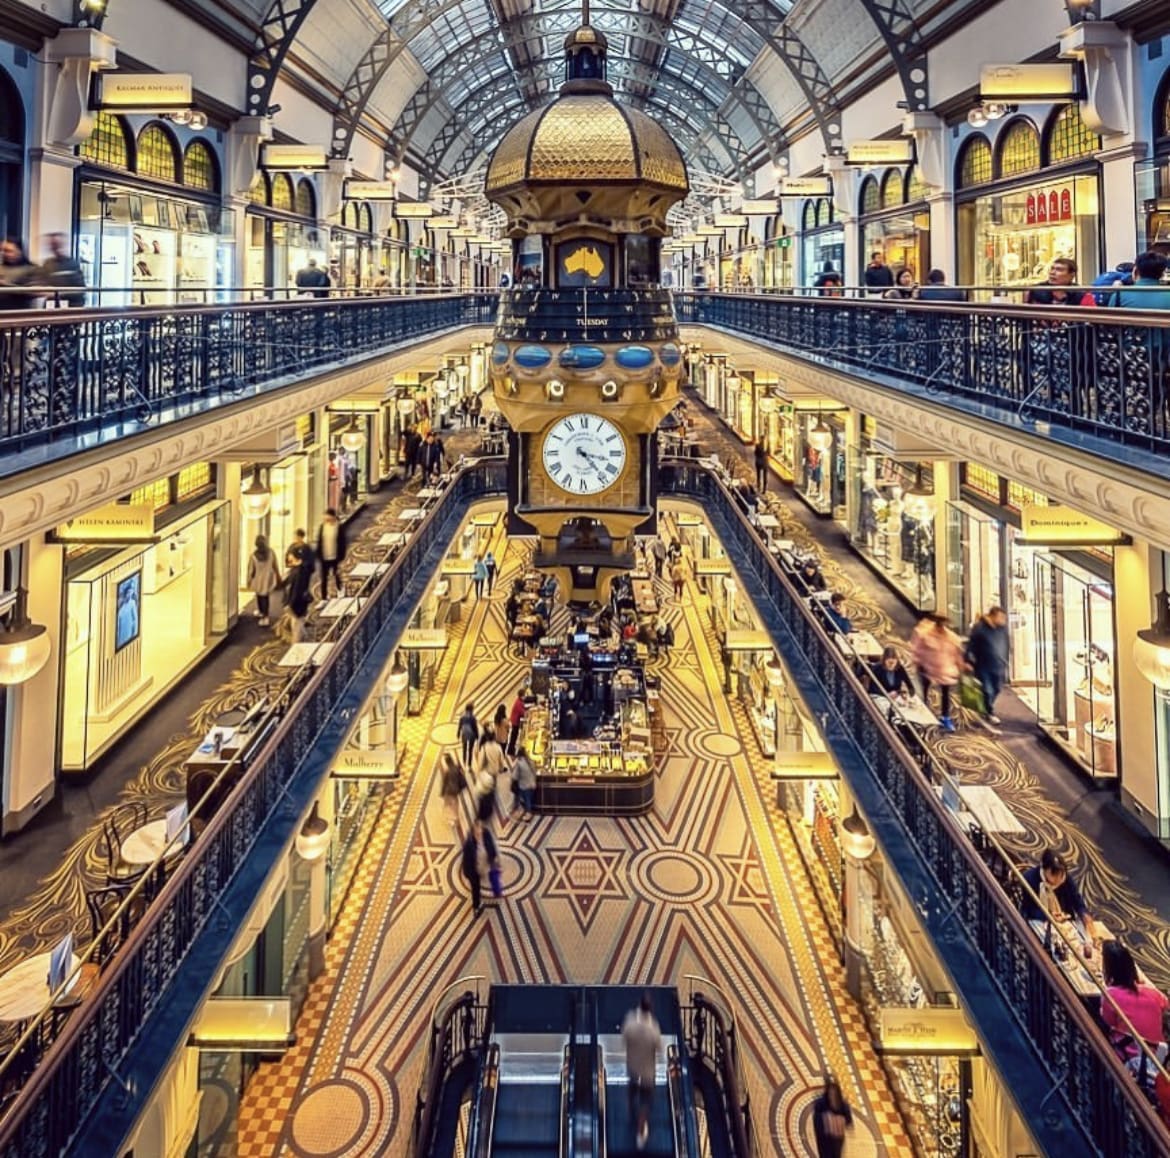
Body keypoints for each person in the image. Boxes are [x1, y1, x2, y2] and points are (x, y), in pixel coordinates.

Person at [1100, 941, 1168, 1061]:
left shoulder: (1110, 995)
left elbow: (1109, 1021)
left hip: (1130, 1054)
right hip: (1158, 1054)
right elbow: (1165, 1004)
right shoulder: (1152, 993)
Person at [1020, 849, 1097, 940]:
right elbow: (1029, 909)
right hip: (1038, 922)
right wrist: (1049, 916)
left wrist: (1084, 914)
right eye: (1054, 874)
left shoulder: (1064, 878)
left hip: (1064, 921)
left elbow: (1076, 898)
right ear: (1044, 868)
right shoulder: (1029, 879)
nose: (1058, 879)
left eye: (1061, 875)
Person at [621, 993, 663, 1150]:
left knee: (632, 1091)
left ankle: (631, 1112)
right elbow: (658, 1046)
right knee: (646, 1101)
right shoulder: (653, 1028)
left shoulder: (631, 1021)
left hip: (633, 1066)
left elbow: (624, 1038)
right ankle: (640, 1129)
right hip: (647, 1072)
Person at [911, 613, 964, 731]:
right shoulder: (925, 634)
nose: (942, 626)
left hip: (944, 671)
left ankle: (945, 717)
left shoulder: (951, 637)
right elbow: (917, 649)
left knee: (945, 694)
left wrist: (960, 665)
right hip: (926, 669)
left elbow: (956, 653)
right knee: (923, 692)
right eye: (939, 624)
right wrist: (917, 662)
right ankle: (923, 715)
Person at [966, 606, 1010, 725]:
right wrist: (968, 661)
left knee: (996, 688)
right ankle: (988, 712)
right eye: (1001, 617)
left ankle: (985, 708)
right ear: (993, 615)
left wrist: (1006, 659)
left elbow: (1006, 643)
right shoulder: (980, 628)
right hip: (983, 664)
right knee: (987, 690)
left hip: (999, 665)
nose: (1003, 620)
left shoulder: (1002, 629)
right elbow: (971, 645)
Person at [460, 819, 498, 917]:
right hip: (474, 871)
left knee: (493, 877)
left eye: (480, 830)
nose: (479, 834)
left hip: (485, 863)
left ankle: (496, 891)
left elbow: (491, 847)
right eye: (477, 833)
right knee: (475, 889)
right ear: (473, 832)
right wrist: (469, 874)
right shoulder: (469, 845)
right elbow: (466, 861)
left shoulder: (486, 835)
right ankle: (476, 907)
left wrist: (493, 858)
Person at [812, 1076, 853, 1158]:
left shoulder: (843, 1106)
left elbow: (849, 1122)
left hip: (837, 1139)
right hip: (825, 1139)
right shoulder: (821, 1104)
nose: (833, 1095)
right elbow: (816, 1121)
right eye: (831, 1092)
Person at [1023, 258, 1093, 306]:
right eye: (1052, 268)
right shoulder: (1035, 291)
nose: (1052, 272)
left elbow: (1092, 318)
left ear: (1071, 275)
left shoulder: (1081, 294)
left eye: (1059, 270)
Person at [40, 233, 86, 306]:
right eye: (52, 245)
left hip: (71, 305)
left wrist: (60, 293)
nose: (55, 248)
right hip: (52, 305)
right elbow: (43, 283)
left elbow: (80, 289)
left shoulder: (72, 264)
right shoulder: (47, 264)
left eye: (56, 245)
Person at [246, 534, 281, 626]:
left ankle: (262, 613)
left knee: (259, 596)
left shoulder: (254, 555)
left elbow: (251, 570)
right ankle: (265, 616)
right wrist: (278, 576)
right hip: (268, 578)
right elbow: (275, 565)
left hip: (258, 579)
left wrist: (249, 580)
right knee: (265, 596)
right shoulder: (271, 553)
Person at [284, 543, 314, 642]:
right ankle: (307, 638)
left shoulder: (300, 572)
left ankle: (296, 650)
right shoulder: (297, 570)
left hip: (297, 605)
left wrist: (290, 604)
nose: (289, 558)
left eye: (291, 557)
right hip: (297, 605)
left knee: (297, 627)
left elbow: (297, 590)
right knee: (298, 625)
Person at [315, 508, 347, 598]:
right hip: (324, 557)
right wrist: (318, 554)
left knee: (336, 574)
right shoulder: (322, 527)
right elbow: (320, 541)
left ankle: (340, 589)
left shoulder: (338, 527)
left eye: (327, 517)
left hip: (335, 556)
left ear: (332, 517)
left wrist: (341, 556)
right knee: (324, 578)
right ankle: (324, 597)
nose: (325, 519)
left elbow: (342, 542)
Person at [0, 239, 40, 308]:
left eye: (8, 251)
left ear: (19, 251)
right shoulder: (1, 267)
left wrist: (6, 285)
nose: (4, 254)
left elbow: (35, 292)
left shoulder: (32, 269)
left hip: (19, 311)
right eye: (2, 251)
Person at [439, 752, 465, 829]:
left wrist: (442, 793)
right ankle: (456, 818)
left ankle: (452, 820)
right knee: (455, 804)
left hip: (449, 791)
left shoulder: (447, 771)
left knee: (447, 805)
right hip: (456, 790)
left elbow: (445, 782)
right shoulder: (456, 768)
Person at [511, 746, 538, 820]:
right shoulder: (531, 761)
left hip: (524, 785)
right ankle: (525, 812)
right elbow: (535, 771)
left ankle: (527, 814)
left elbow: (514, 776)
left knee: (525, 800)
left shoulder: (519, 763)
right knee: (528, 799)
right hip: (533, 784)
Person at [458, 702, 480, 769]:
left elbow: (460, 726)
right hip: (472, 736)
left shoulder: (462, 717)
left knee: (464, 749)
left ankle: (464, 762)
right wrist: (477, 736)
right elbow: (475, 728)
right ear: (471, 709)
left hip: (464, 735)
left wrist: (458, 733)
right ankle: (469, 765)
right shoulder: (473, 718)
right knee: (470, 750)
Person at [507, 691, 527, 755]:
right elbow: (522, 712)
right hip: (515, 722)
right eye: (524, 695)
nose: (525, 696)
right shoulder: (518, 703)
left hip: (515, 721)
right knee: (514, 736)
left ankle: (511, 750)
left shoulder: (519, 701)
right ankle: (510, 751)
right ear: (521, 696)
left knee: (514, 736)